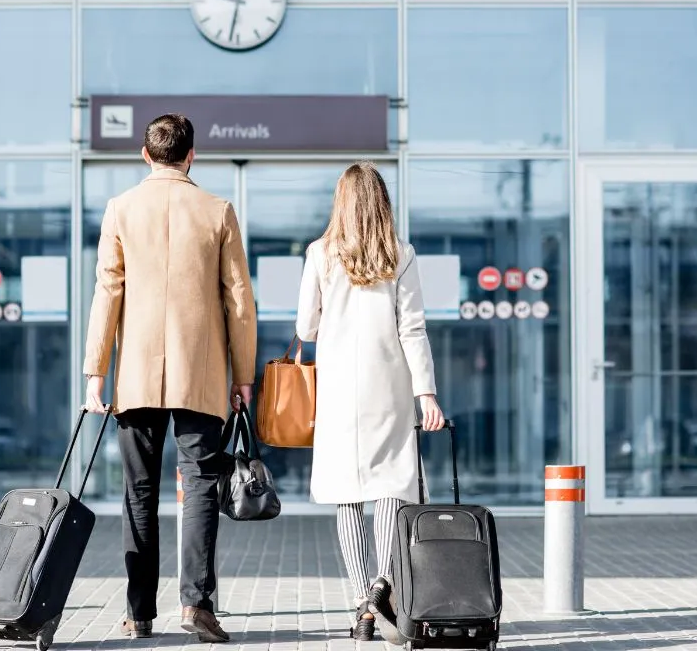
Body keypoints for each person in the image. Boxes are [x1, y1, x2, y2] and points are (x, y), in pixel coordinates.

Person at [83, 113, 257, 643]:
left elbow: (106, 294)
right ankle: (196, 605)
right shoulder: (217, 210)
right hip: (199, 374)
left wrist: (95, 372)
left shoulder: (121, 209)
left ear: (145, 154)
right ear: (191, 155)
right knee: (200, 485)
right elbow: (239, 302)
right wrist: (243, 375)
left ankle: (139, 614)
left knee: (138, 492)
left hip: (134, 376)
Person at [294, 161, 445, 641]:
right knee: (388, 489)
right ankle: (383, 585)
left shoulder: (320, 253)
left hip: (339, 392)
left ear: (341, 202)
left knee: (347, 494)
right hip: (390, 387)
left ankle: (362, 604)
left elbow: (305, 329)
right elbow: (413, 329)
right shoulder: (399, 254)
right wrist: (427, 394)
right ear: (382, 203)